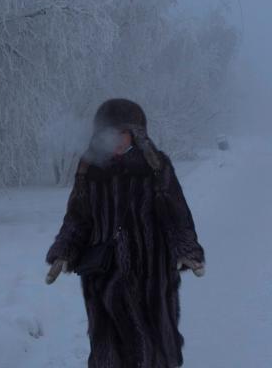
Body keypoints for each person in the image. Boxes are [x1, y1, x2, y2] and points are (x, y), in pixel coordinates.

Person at [45, 99, 205, 368]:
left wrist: (187, 248)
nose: (116, 140)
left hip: (150, 276)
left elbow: (176, 212)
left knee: (154, 349)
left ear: (135, 134)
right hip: (104, 277)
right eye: (110, 133)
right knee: (109, 351)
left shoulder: (155, 166)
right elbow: (78, 217)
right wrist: (64, 250)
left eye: (122, 133)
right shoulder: (91, 169)